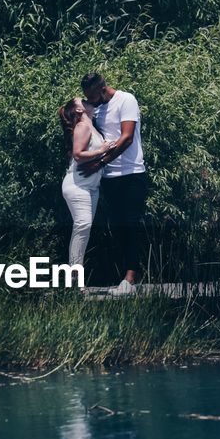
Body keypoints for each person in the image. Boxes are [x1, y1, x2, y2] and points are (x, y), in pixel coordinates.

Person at [79, 72, 146, 296]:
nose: (90, 100)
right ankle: (126, 279)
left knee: (131, 225)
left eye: (91, 96)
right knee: (118, 227)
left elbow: (126, 137)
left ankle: (130, 279)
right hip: (109, 177)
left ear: (101, 89)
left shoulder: (126, 100)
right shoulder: (97, 107)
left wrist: (101, 162)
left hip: (131, 173)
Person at [59, 97, 111, 275]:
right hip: (78, 185)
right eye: (81, 100)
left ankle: (75, 274)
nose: (86, 99)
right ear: (79, 110)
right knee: (83, 225)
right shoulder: (83, 126)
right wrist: (101, 151)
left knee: (84, 230)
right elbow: (78, 154)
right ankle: (74, 278)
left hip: (91, 186)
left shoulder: (92, 126)